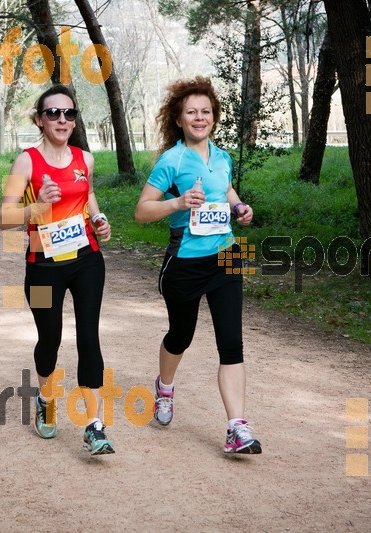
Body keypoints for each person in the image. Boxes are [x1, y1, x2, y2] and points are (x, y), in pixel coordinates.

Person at [134, 76, 261, 455]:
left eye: (205, 111)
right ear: (178, 118)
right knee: (181, 335)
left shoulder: (222, 158)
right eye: (191, 112)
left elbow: (225, 191)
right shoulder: (171, 161)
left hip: (225, 258)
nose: (199, 117)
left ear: (214, 117)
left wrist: (240, 207)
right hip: (185, 264)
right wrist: (177, 203)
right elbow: (141, 211)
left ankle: (236, 427)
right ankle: (165, 387)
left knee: (231, 343)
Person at [0, 85, 114, 455]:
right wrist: (37, 207)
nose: (62, 120)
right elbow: (4, 217)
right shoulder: (26, 162)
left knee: (89, 337)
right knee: (50, 340)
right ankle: (45, 397)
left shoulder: (85, 158)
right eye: (53, 113)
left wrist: (98, 218)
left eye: (69, 113)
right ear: (39, 120)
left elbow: (87, 193)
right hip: (43, 265)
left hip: (86, 259)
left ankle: (94, 425)